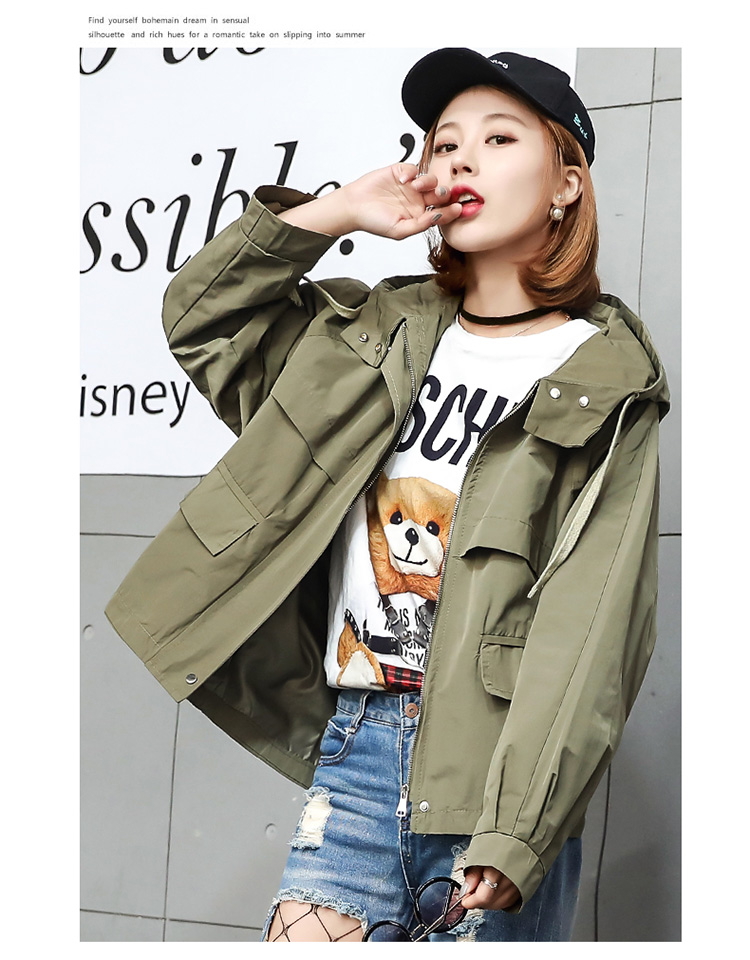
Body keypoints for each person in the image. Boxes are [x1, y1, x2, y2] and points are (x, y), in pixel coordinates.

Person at [105, 48, 669, 942]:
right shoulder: (371, 335)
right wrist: (336, 212)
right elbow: (205, 319)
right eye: (444, 144)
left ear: (567, 182)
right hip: (358, 749)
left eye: (498, 138)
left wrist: (519, 828)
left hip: (495, 777)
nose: (461, 159)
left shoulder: (605, 380)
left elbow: (592, 624)